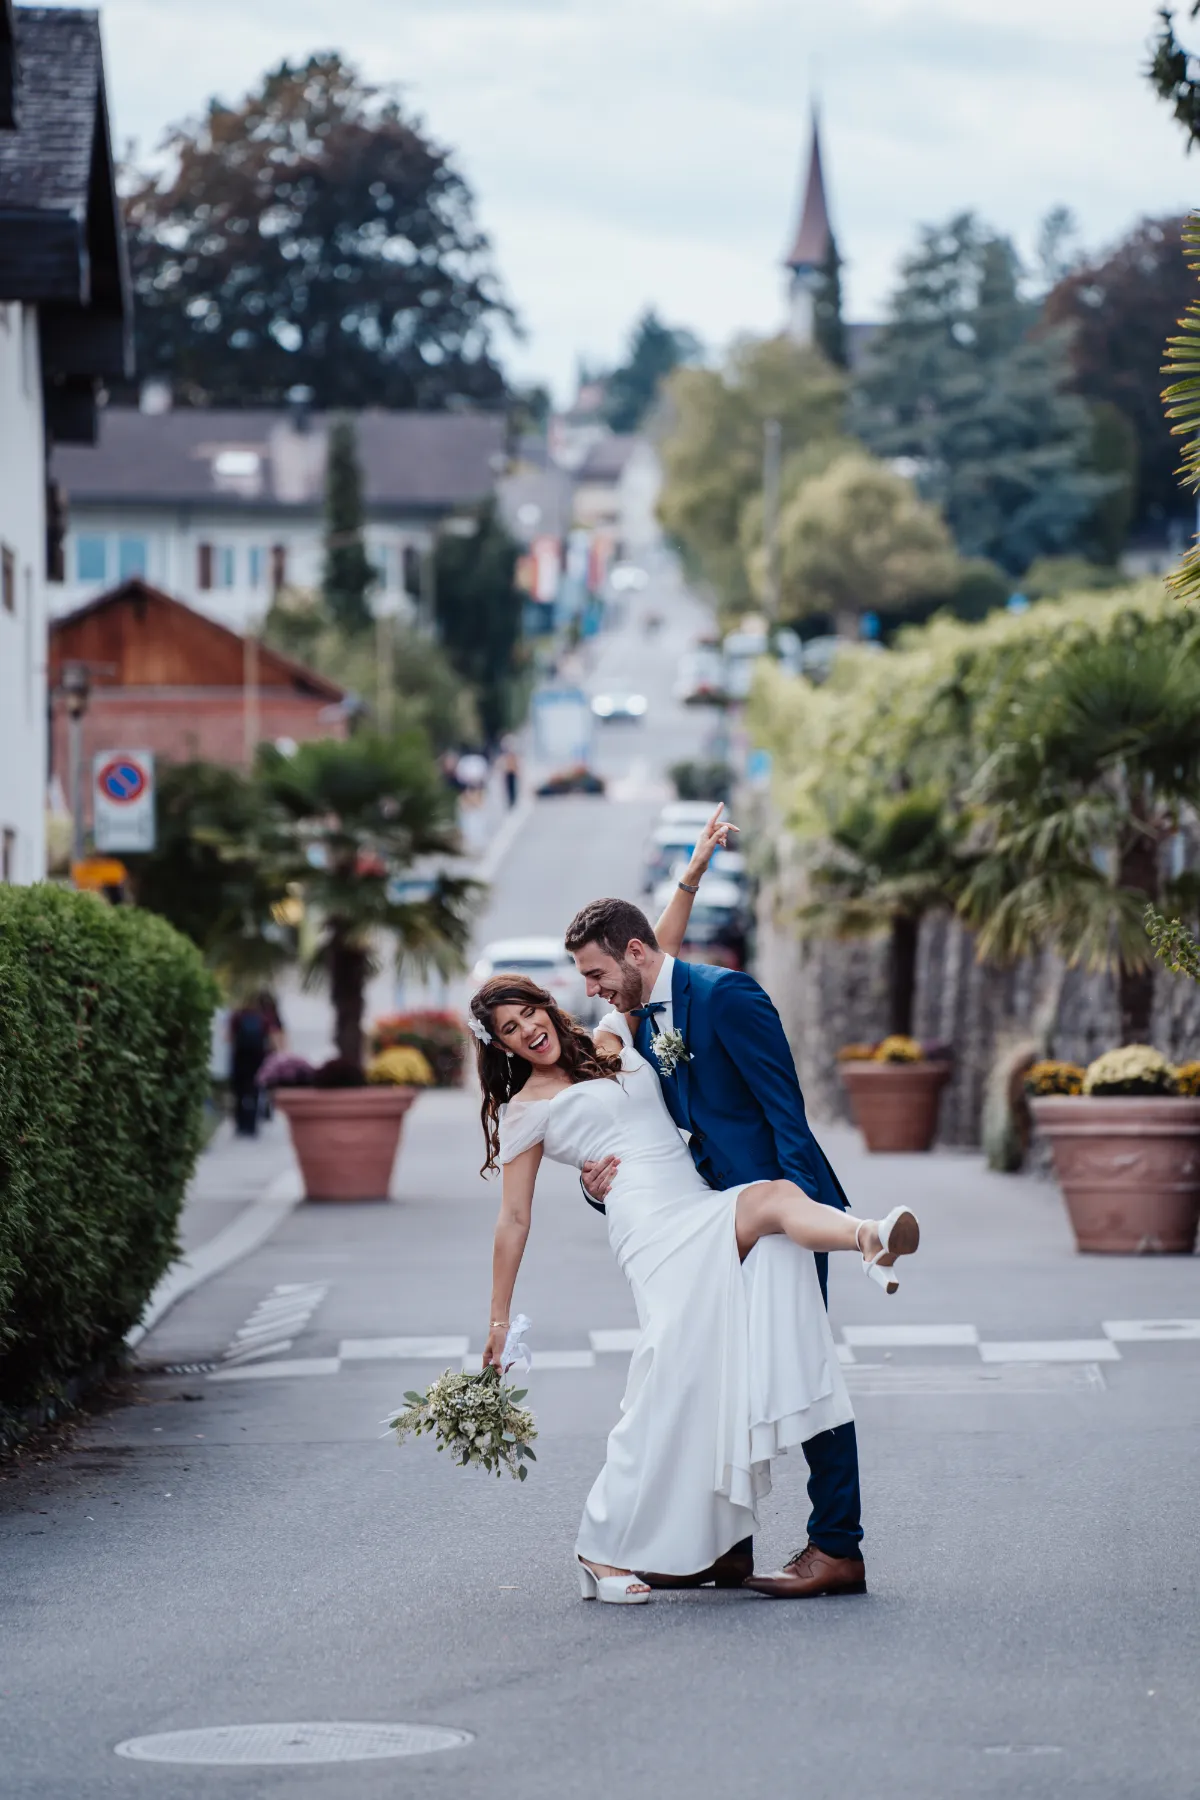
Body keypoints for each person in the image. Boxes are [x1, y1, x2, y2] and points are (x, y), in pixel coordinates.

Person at [475, 812, 919, 1605]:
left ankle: (809, 1543)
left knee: (772, 1363)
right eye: (510, 1031)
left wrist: (693, 870)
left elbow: (654, 951)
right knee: (678, 1379)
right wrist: (501, 1323)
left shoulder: (615, 1040)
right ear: (502, 1048)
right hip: (663, 1229)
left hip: (727, 1209)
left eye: (532, 1013)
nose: (531, 1029)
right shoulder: (527, 1109)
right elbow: (513, 1221)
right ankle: (624, 1547)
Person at [564, 868, 900, 1600]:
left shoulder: (727, 996)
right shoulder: (638, 1022)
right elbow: (647, 1139)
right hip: (704, 1226)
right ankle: (725, 1551)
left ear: (633, 951)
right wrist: (603, 1192)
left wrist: (803, 1220)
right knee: (717, 1378)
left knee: (799, 1368)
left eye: (596, 973)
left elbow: (787, 1112)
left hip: (774, 1215)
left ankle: (838, 1547)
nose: (592, 988)